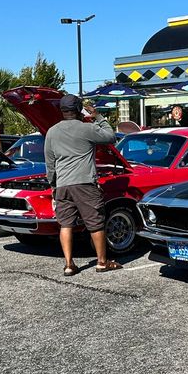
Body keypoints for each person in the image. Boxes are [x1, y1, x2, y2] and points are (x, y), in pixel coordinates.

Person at [44, 94, 121, 275]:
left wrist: (53, 186)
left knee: (65, 224)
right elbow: (111, 136)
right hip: (85, 183)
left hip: (62, 185)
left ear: (61, 111)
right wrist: (98, 117)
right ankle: (102, 262)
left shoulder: (52, 132)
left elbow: (50, 163)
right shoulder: (87, 128)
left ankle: (69, 265)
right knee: (95, 223)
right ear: (79, 110)